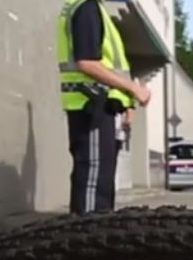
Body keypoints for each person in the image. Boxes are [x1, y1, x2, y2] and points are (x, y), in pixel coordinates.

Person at [57, 0, 151, 215]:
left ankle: (96, 230)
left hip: (100, 106)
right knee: (93, 179)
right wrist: (133, 89)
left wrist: (128, 101)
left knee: (101, 179)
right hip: (92, 104)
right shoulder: (86, 7)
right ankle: (86, 231)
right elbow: (87, 63)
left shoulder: (93, 9)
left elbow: (109, 66)